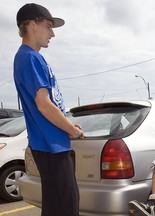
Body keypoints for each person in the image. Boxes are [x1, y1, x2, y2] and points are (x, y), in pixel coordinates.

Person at [13, 3, 84, 216]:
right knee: (65, 208)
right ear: (33, 24)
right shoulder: (30, 57)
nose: (52, 33)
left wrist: (68, 126)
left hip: (51, 144)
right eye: (48, 26)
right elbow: (43, 104)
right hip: (50, 146)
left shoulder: (29, 57)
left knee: (58, 207)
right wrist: (72, 130)